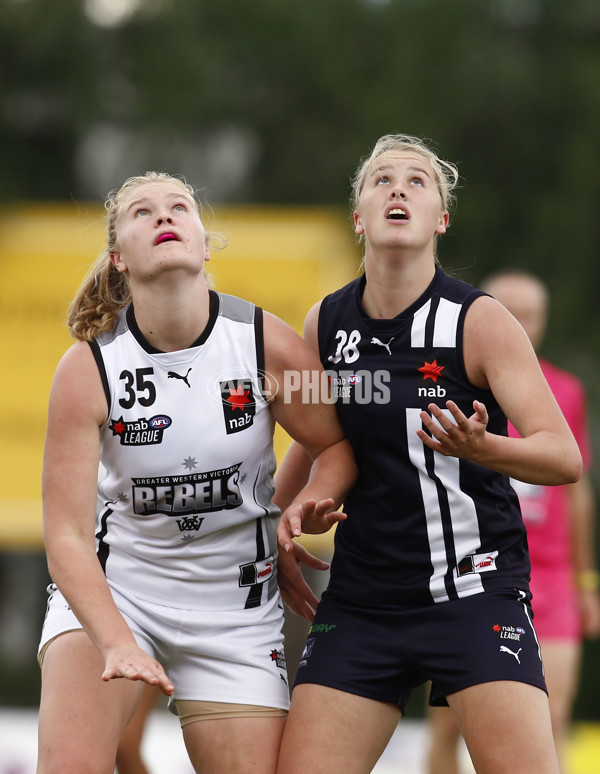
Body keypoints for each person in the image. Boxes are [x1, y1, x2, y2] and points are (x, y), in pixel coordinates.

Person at [273, 133, 583, 774]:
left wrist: (485, 446)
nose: (398, 189)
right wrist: (273, 524)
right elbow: (314, 443)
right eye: (382, 180)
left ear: (441, 218)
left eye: (417, 182)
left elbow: (564, 458)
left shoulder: (481, 321)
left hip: (474, 590)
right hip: (361, 599)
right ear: (358, 215)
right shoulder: (324, 324)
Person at [36, 171, 357, 774]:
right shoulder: (87, 369)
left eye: (179, 207)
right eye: (141, 213)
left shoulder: (268, 344)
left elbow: (336, 443)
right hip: (120, 592)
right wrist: (115, 642)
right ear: (118, 258)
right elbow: (67, 538)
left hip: (234, 605)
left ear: (205, 244)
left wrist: (302, 507)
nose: (163, 217)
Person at [427, 270, 600, 774]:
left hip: (549, 577)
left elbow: (578, 489)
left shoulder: (565, 390)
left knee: (554, 714)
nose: (519, 325)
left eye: (530, 315)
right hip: (476, 568)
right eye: (509, 312)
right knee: (450, 723)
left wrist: (586, 580)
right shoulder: (449, 380)